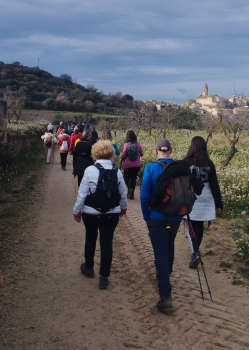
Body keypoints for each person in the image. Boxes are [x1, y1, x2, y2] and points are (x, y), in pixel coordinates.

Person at [73, 140, 127, 290]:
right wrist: (123, 209)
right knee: (107, 242)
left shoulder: (90, 170)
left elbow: (82, 194)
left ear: (95, 154)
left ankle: (89, 267)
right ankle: (104, 277)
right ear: (111, 154)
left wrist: (76, 211)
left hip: (90, 212)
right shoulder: (117, 172)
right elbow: (122, 195)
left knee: (90, 238)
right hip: (111, 213)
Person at [140, 138, 182, 312]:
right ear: (171, 150)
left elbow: (144, 195)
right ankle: (166, 272)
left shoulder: (151, 167)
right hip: (175, 218)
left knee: (160, 252)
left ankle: (165, 296)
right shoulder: (180, 168)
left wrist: (146, 216)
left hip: (157, 218)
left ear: (156, 151)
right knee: (169, 244)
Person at [183, 136, 223, 268]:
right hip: (206, 196)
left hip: (192, 196)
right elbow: (214, 184)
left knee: (190, 225)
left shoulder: (187, 162)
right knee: (199, 225)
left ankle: (195, 251)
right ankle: (196, 250)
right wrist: (219, 203)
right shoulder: (209, 163)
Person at [121, 130, 144, 199]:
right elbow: (142, 154)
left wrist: (121, 159)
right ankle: (132, 195)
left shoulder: (126, 145)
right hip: (136, 164)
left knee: (126, 177)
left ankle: (129, 187)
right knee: (133, 178)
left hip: (127, 164)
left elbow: (124, 154)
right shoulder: (138, 144)